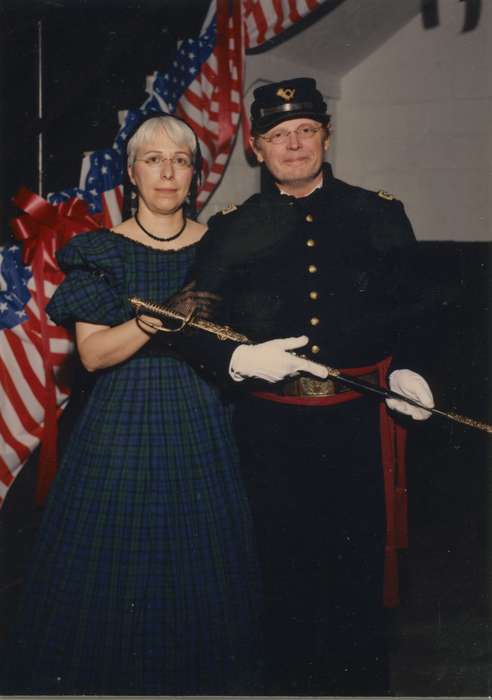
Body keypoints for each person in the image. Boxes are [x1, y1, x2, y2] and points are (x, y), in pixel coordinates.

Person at [181, 77, 436, 696]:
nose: (293, 144)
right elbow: (190, 320)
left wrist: (413, 367)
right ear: (254, 147)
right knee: (282, 578)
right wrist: (237, 357)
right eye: (277, 135)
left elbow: (419, 310)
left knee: (357, 578)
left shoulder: (378, 213)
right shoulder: (232, 228)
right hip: (270, 431)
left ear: (326, 135)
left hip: (359, 425)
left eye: (306, 130)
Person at [5, 114, 262, 695]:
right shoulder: (103, 250)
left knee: (203, 558)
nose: (167, 172)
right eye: (153, 160)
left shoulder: (222, 246)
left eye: (180, 160)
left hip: (204, 417)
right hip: (124, 424)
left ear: (194, 173)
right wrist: (156, 317)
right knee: (116, 560)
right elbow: (93, 356)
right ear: (132, 173)